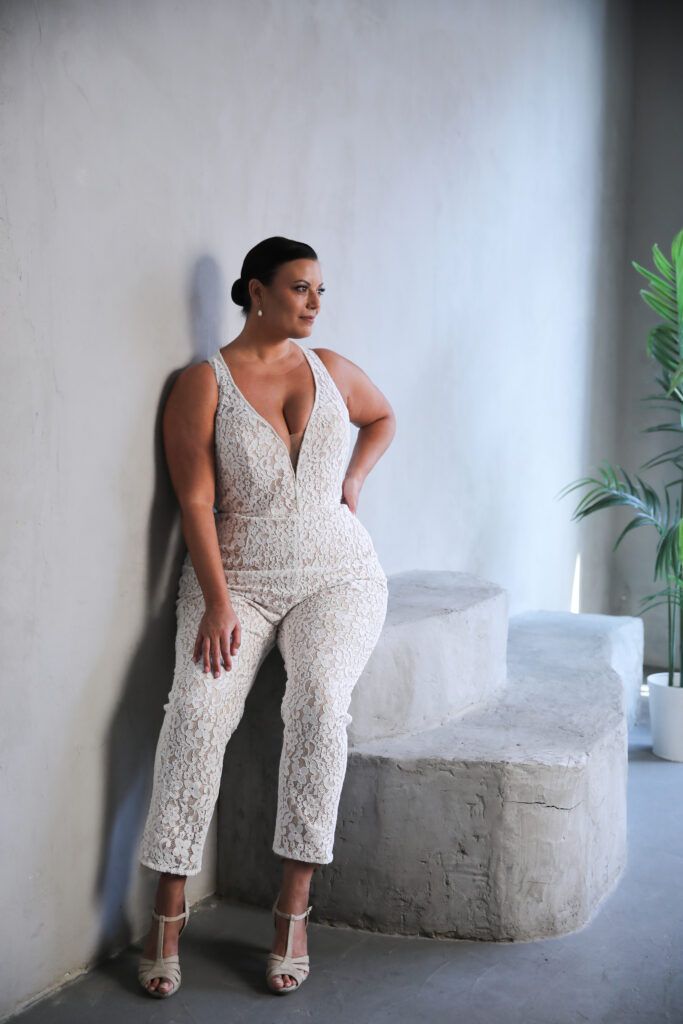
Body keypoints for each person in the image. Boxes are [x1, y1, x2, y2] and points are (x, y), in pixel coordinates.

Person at [137, 236, 395, 998]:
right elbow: (192, 501)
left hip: (339, 575)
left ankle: (291, 910)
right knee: (194, 711)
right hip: (238, 578)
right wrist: (217, 601)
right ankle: (167, 911)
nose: (314, 303)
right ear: (256, 291)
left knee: (317, 704)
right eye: (299, 289)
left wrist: (351, 480)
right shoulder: (202, 382)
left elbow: (381, 420)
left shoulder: (333, 370)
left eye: (320, 291)